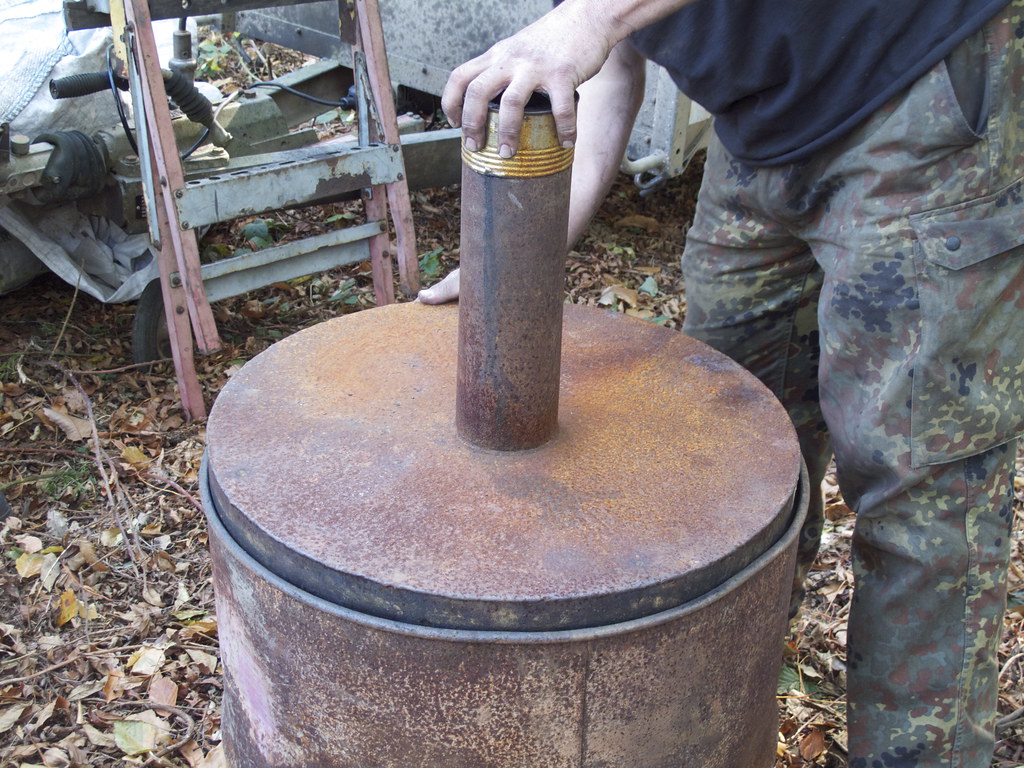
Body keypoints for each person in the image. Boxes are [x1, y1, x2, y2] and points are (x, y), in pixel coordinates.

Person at [421, 1, 1024, 766]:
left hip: (916, 90)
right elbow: (608, 68)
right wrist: (521, 246)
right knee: (723, 453)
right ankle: (724, 723)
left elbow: (596, 25)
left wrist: (593, 20)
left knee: (920, 496)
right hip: (761, 127)